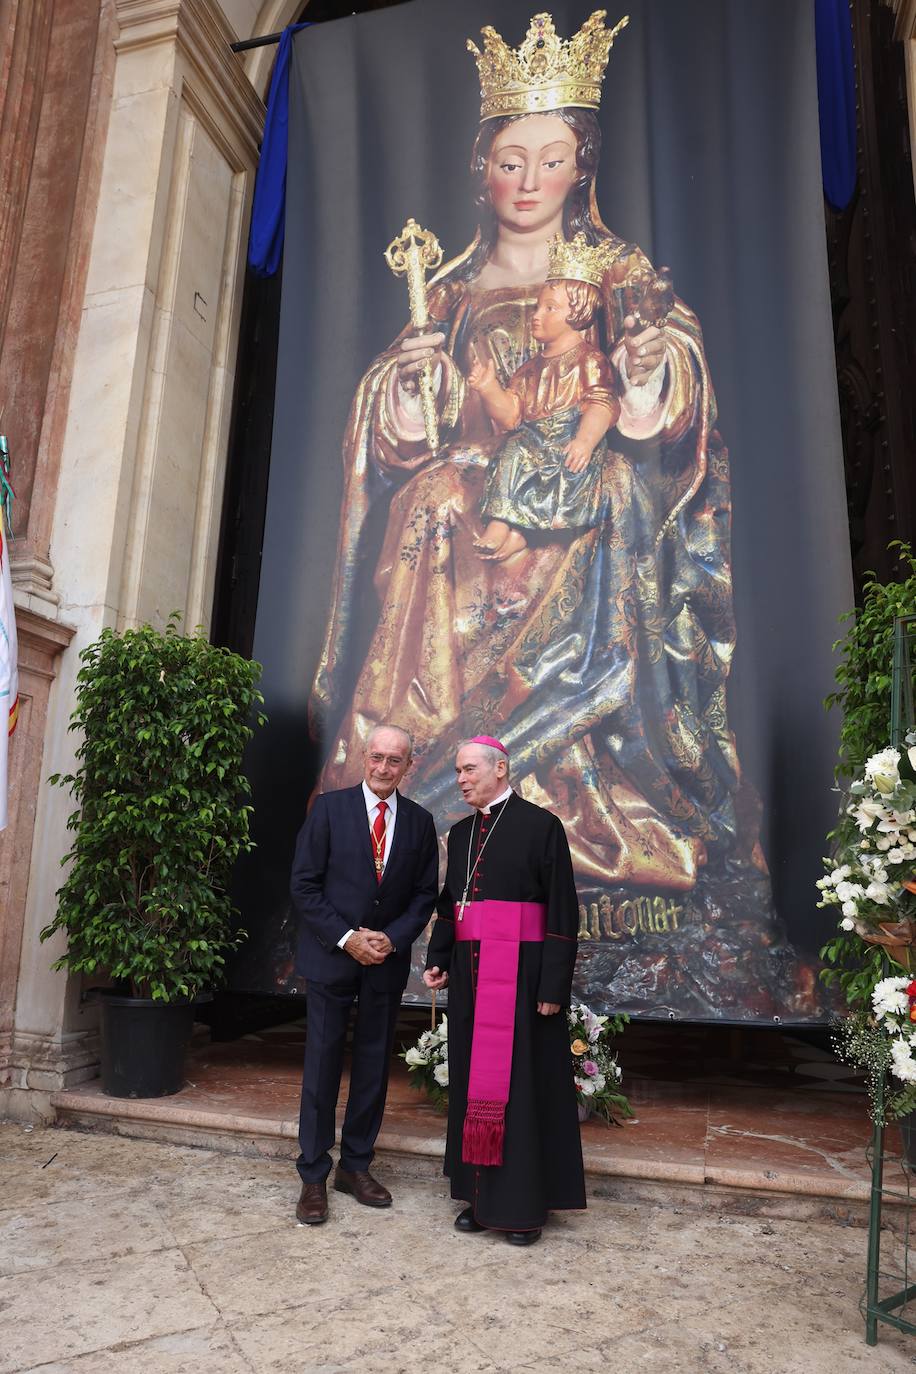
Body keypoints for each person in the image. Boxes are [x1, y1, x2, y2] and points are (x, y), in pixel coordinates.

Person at [309, 10, 809, 1020]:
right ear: (479, 169)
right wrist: (411, 385)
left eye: (551, 158)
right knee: (430, 500)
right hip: (471, 494)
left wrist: (643, 369)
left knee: (598, 504)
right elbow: (400, 429)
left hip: (577, 492)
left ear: (582, 168)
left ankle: (589, 787)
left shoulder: (617, 275)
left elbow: (663, 390)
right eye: (509, 160)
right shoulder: (444, 291)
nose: (529, 179)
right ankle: (416, 774)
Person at [423, 736, 585, 1245]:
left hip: (523, 977)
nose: (461, 779)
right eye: (456, 771)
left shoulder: (542, 826)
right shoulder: (461, 832)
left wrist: (553, 983)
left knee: (521, 1085)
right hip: (472, 980)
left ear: (500, 768)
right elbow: (454, 904)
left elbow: (562, 910)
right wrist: (438, 958)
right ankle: (480, 1197)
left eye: (469, 769)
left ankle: (523, 1207)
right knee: (475, 1084)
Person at [289, 725, 438, 1224]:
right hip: (333, 959)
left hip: (385, 964)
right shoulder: (328, 810)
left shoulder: (419, 822)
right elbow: (305, 886)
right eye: (376, 757)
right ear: (362, 756)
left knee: (373, 1069)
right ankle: (313, 1175)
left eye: (395, 760)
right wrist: (348, 938)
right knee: (322, 1069)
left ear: (407, 766)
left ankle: (355, 1167)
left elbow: (423, 896)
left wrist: (391, 939)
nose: (383, 767)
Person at [471, 234, 621, 563]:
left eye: (550, 308)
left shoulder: (590, 361)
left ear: (578, 313)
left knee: (568, 472)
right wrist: (488, 388)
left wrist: (584, 440)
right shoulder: (527, 370)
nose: (536, 315)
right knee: (511, 451)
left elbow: (601, 405)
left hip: (569, 438)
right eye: (538, 306)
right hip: (532, 438)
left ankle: (524, 536)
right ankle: (500, 524)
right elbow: (511, 416)